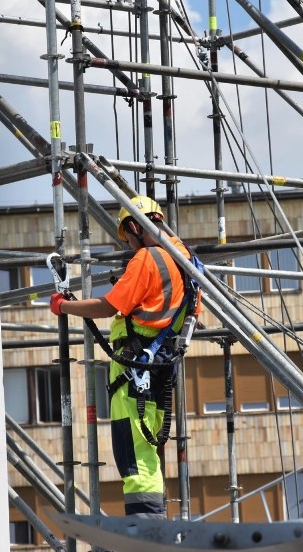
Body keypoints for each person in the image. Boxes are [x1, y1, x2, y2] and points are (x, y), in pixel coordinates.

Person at [49, 195, 201, 517]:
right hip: (158, 371)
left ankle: (145, 531)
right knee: (148, 452)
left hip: (135, 371)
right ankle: (153, 524)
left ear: (135, 225)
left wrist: (63, 306)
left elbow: (108, 306)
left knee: (134, 455)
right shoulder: (187, 262)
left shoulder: (149, 258)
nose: (130, 247)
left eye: (128, 238)